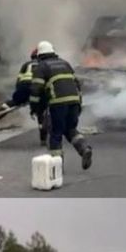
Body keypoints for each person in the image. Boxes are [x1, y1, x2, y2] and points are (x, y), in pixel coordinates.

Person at [30, 41, 93, 169]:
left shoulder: (41, 66)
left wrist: (34, 108)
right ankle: (84, 148)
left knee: (55, 133)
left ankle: (57, 167)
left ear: (39, 55)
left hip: (58, 103)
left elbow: (36, 90)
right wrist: (79, 103)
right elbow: (77, 84)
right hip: (74, 101)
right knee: (71, 129)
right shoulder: (65, 63)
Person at [0, 48, 48, 145]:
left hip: (23, 87)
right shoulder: (45, 65)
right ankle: (43, 138)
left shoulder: (25, 65)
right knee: (41, 109)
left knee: (13, 102)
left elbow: (19, 81)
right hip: (37, 88)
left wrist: (20, 96)